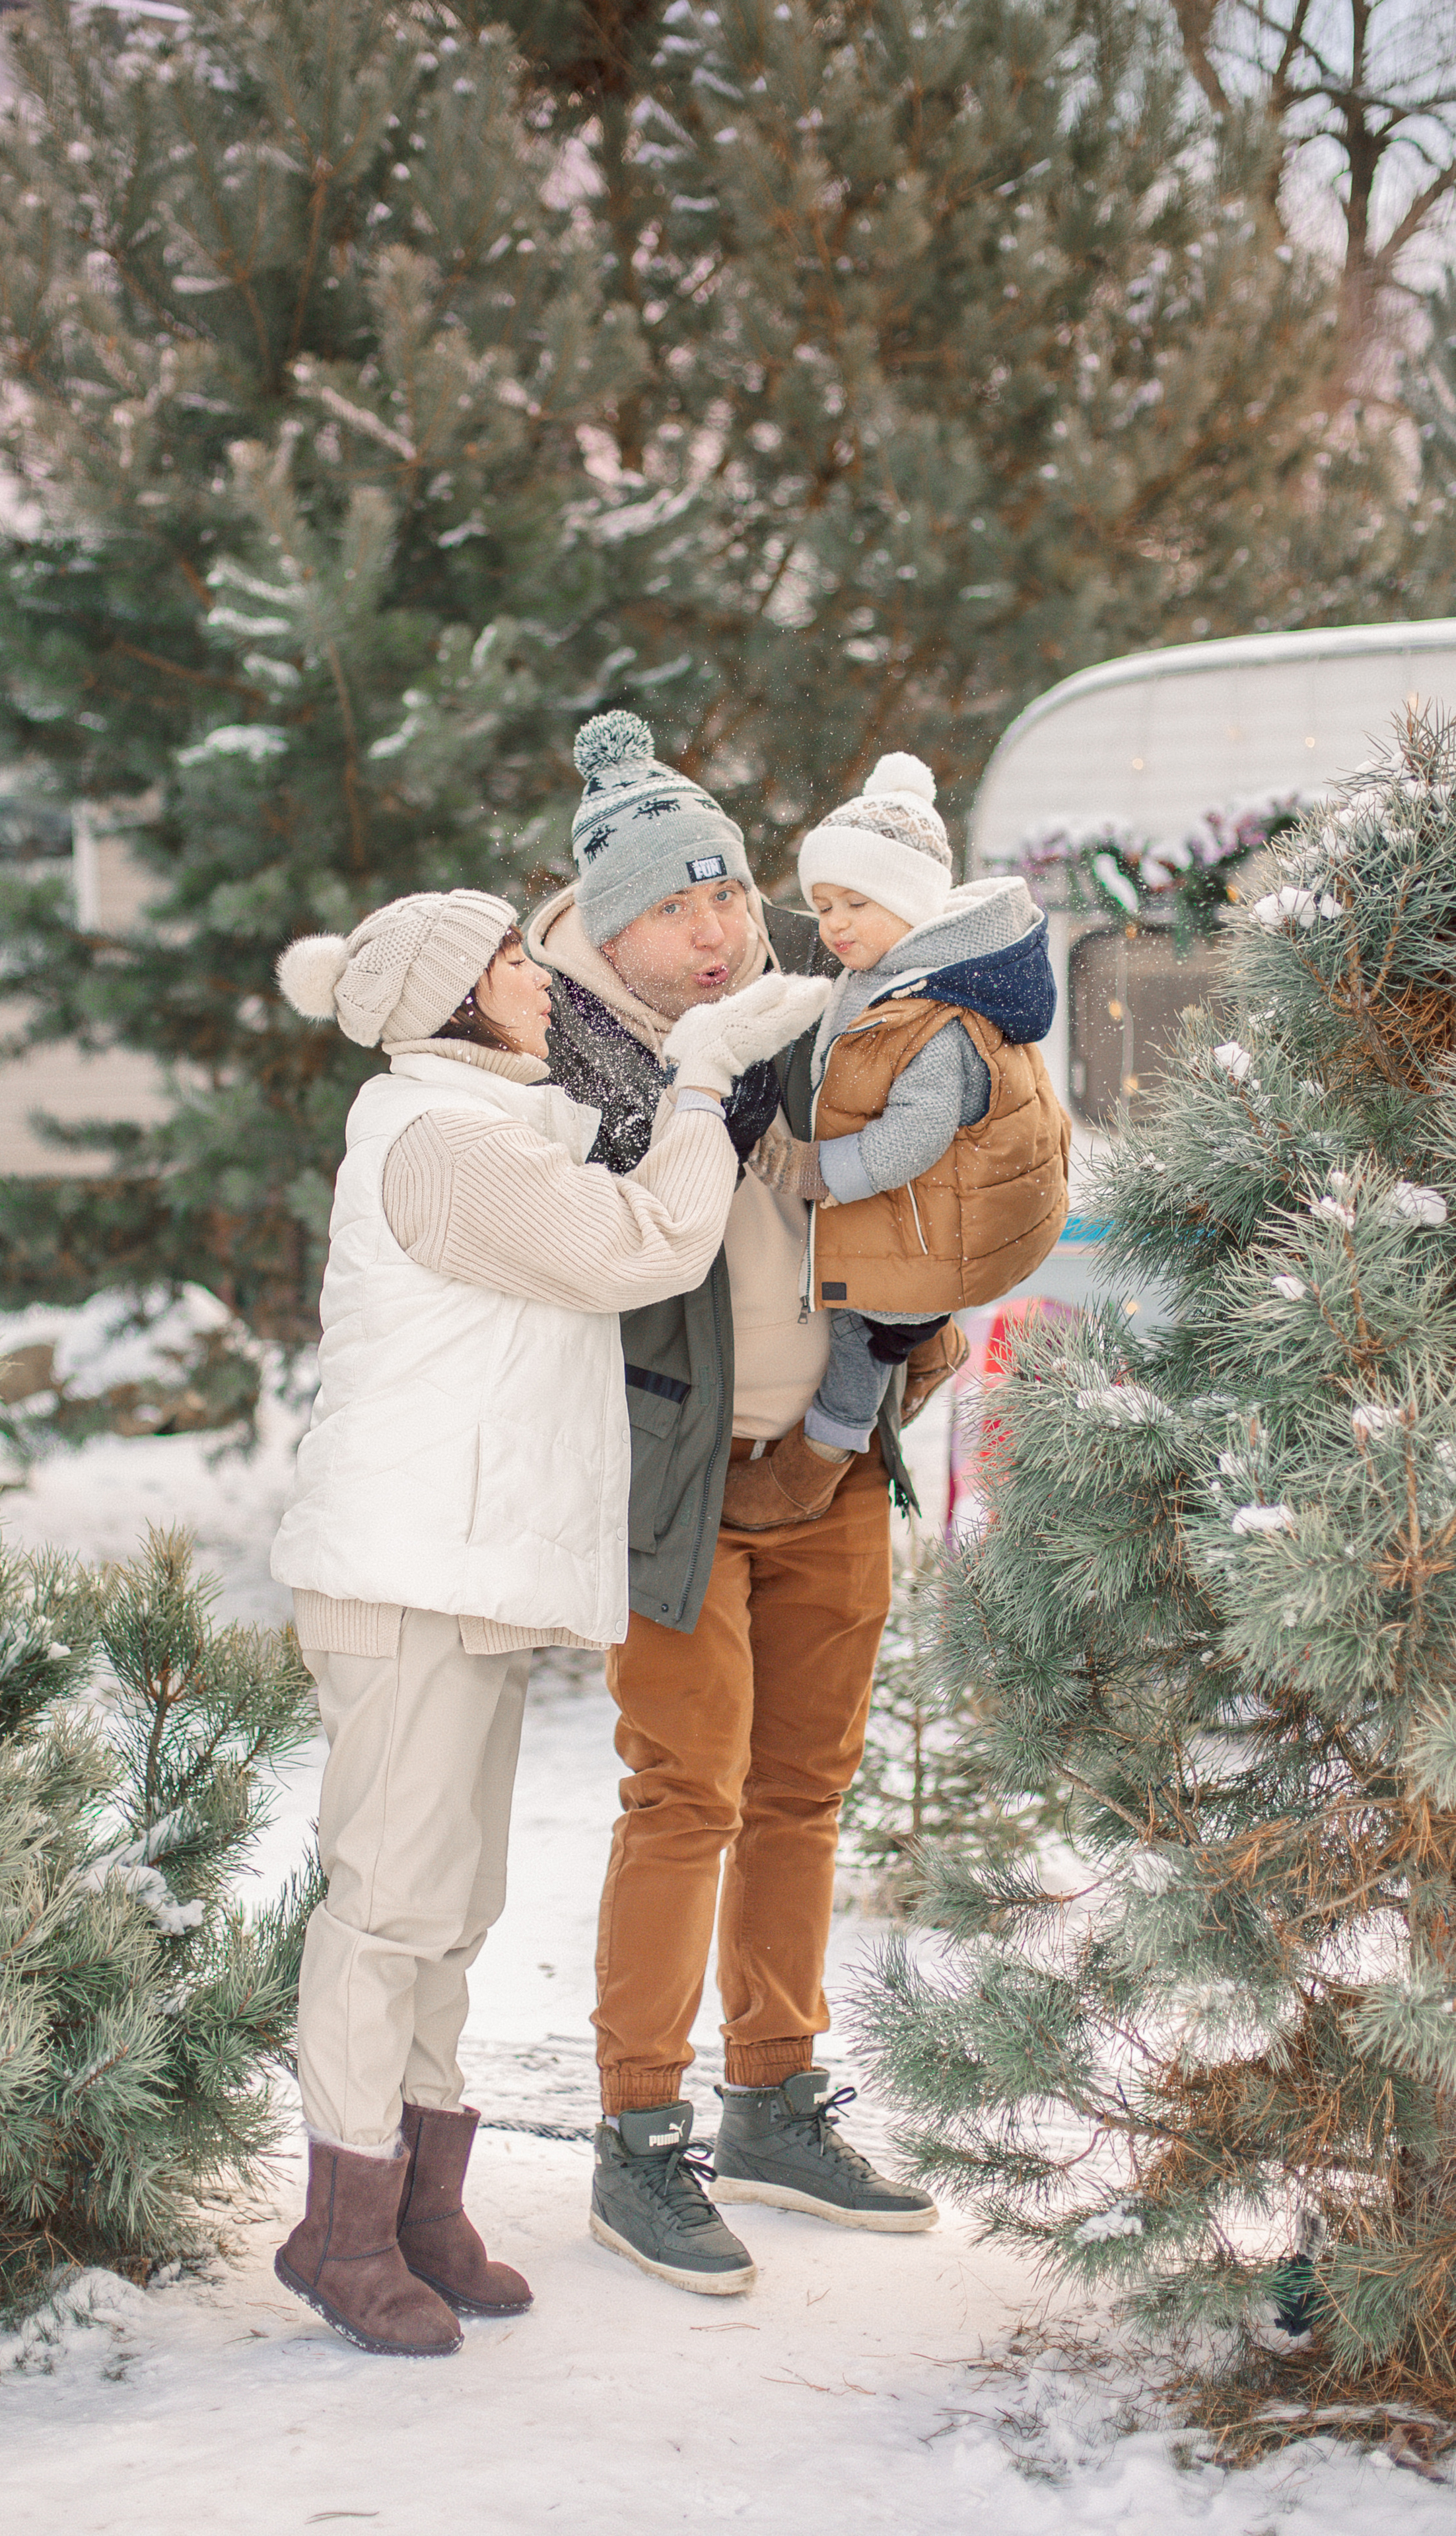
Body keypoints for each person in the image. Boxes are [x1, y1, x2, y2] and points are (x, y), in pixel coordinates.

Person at [267, 886, 826, 2356]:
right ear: (450, 1002)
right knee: (386, 1905)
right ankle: (338, 2226)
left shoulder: (492, 1126)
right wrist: (699, 1077)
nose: (537, 977)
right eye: (509, 960)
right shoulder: (436, 1147)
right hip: (403, 1577)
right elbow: (646, 1244)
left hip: (467, 1577)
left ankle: (421, 2208)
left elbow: (604, 1175)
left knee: (447, 1913)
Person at [530, 713, 957, 2300]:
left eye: (727, 894)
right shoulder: (564, 1065)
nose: (717, 929)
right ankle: (636, 2131)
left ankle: (773, 2094)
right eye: (677, 906)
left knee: (799, 1790)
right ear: (614, 922)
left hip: (833, 1464)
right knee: (683, 1794)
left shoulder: (810, 1011)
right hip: (683, 1493)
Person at [718, 752, 1069, 1531]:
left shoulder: (932, 1015)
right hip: (915, 1210)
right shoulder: (886, 974)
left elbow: (912, 1137)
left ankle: (817, 1465)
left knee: (858, 1332)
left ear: (911, 906)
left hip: (924, 1219)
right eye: (824, 904)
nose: (834, 924)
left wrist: (822, 1172)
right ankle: (909, 1352)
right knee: (874, 1325)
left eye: (855, 904)